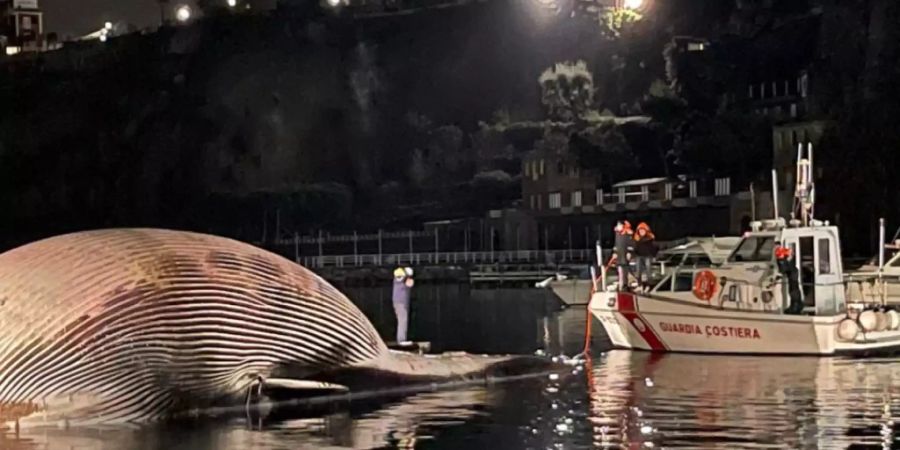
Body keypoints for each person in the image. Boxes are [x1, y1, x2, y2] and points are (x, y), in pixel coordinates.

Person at [775, 244, 803, 314]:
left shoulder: (779, 253)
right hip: (793, 271)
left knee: (793, 290)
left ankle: (795, 307)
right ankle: (798, 305)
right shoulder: (784, 251)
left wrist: (778, 276)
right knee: (795, 288)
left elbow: (783, 268)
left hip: (792, 273)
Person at [392, 267, 415, 344]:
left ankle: (402, 339)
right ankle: (401, 340)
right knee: (402, 321)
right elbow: (410, 283)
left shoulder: (399, 280)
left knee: (402, 321)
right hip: (400, 303)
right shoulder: (400, 279)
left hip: (400, 303)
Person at [633, 222, 658, 292]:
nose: (641, 232)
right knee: (638, 272)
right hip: (639, 256)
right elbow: (634, 248)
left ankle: (648, 285)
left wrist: (653, 255)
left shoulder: (650, 238)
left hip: (648, 256)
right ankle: (640, 285)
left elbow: (655, 248)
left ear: (646, 231)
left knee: (648, 271)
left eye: (643, 230)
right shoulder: (636, 238)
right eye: (640, 231)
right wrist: (633, 254)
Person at [611, 221, 634, 291]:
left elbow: (631, 244)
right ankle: (621, 285)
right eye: (618, 225)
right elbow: (616, 244)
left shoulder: (628, 233)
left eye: (620, 225)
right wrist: (614, 253)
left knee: (625, 271)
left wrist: (629, 252)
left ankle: (625, 285)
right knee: (620, 271)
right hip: (619, 255)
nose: (618, 226)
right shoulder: (617, 234)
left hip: (625, 255)